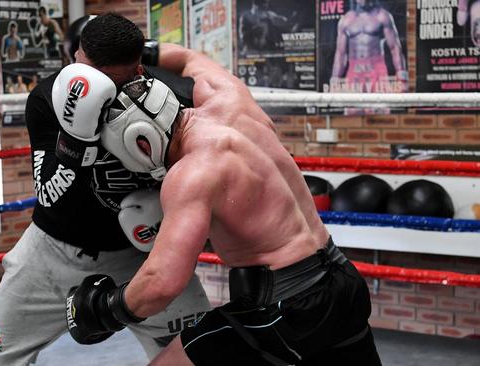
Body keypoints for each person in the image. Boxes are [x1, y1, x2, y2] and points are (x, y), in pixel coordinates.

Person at [65, 43, 382, 365]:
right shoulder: (230, 99)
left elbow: (162, 283)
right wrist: (133, 50)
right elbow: (189, 58)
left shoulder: (192, 174)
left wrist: (102, 309)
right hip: (343, 280)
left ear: (139, 142)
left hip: (283, 308)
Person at [0, 13, 210, 366]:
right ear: (77, 54)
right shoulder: (48, 97)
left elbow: (205, 173)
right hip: (53, 251)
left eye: (104, 75)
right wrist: (76, 140)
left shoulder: (172, 96)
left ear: (136, 67)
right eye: (84, 66)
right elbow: (50, 194)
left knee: (204, 352)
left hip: (145, 257)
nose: (85, 79)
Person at [330, 0, 407, 94]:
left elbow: (395, 48)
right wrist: (335, 80)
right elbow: (340, 54)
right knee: (353, 107)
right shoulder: (346, 20)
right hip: (354, 71)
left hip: (376, 70)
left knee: (378, 106)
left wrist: (402, 77)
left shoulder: (382, 16)